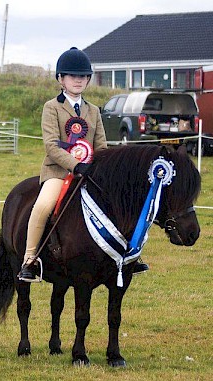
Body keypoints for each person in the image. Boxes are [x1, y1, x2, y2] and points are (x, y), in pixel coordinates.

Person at [17, 47, 148, 282]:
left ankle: (129, 256)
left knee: (121, 203)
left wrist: (102, 169)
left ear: (88, 79)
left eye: (83, 76)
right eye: (72, 76)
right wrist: (76, 165)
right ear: (61, 79)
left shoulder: (94, 110)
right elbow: (51, 146)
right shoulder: (52, 108)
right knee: (43, 206)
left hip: (91, 172)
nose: (78, 80)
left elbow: (101, 146)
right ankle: (30, 260)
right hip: (58, 171)